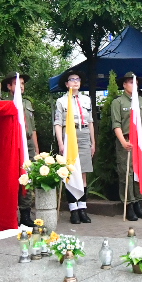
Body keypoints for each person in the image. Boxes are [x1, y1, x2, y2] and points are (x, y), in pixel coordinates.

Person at [110, 72, 142, 220]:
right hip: (126, 140)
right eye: (130, 82)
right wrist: (123, 141)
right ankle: (129, 205)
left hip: (140, 141)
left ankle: (139, 205)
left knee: (140, 172)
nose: (133, 85)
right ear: (124, 85)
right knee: (126, 174)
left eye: (135, 82)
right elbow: (116, 124)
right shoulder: (118, 102)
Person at [54, 72, 95, 222]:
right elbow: (58, 123)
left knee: (83, 172)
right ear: (66, 84)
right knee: (70, 173)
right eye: (72, 80)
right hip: (69, 135)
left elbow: (90, 122)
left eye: (78, 79)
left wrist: (93, 141)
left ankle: (82, 208)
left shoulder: (86, 99)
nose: (76, 82)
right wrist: (61, 143)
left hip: (83, 133)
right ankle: (73, 210)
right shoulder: (61, 101)